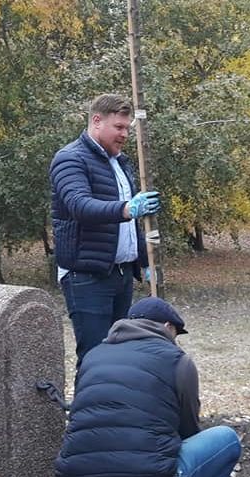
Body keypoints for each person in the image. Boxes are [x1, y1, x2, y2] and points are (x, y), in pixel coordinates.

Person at [55, 297, 242, 477]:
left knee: (91, 439)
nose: (177, 341)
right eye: (177, 334)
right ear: (168, 327)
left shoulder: (92, 356)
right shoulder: (178, 362)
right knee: (227, 440)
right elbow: (188, 429)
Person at [50, 93, 161, 369]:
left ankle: (112, 412)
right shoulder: (69, 159)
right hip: (86, 276)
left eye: (127, 128)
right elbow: (80, 206)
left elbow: (133, 223)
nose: (125, 134)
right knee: (94, 358)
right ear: (97, 121)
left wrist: (145, 264)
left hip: (121, 274)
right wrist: (126, 209)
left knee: (118, 356)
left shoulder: (120, 163)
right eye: (119, 127)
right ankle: (86, 413)